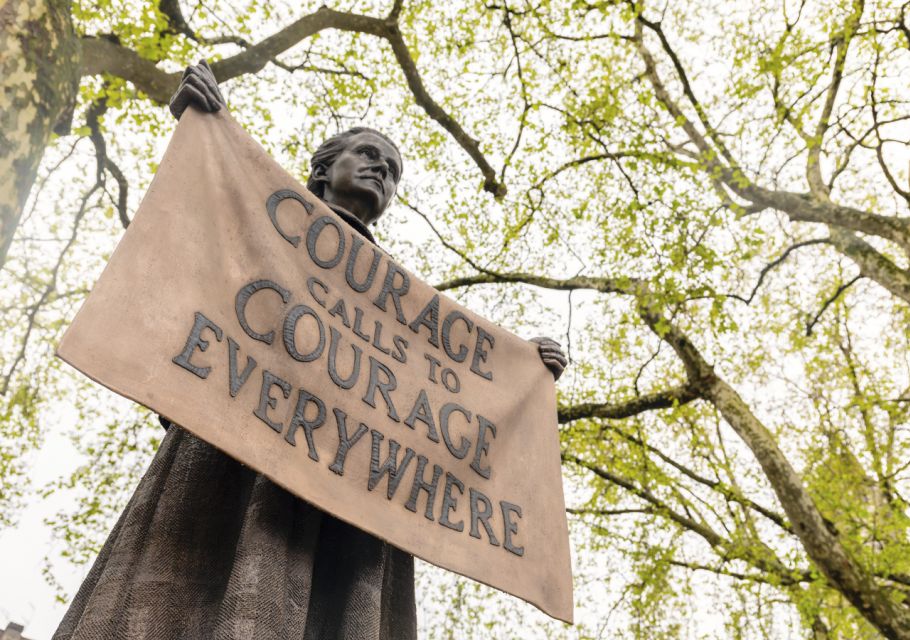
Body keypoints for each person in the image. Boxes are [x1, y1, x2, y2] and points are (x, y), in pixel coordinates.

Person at [53, 60, 567, 640]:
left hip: (355, 506)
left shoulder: (412, 315)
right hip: (233, 459)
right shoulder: (251, 220)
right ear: (323, 168)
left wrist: (520, 375)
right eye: (368, 154)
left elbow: (445, 418)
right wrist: (200, 138)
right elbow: (184, 278)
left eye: (393, 171)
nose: (382, 169)